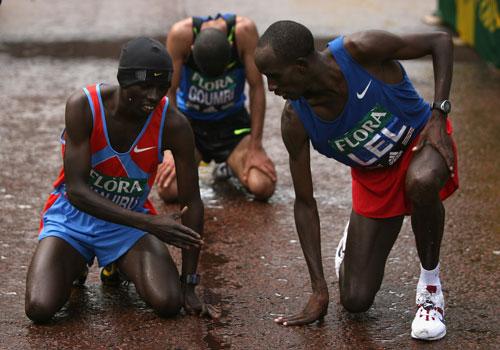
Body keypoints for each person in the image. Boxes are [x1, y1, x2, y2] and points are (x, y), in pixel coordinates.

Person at [254, 21, 459, 341]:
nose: (271, 87)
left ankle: (430, 289)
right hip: (373, 179)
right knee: (355, 301)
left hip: (420, 143)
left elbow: (440, 41)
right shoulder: (295, 120)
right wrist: (319, 290)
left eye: (275, 76)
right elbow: (305, 204)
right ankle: (351, 245)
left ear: (301, 67)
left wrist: (438, 114)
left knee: (421, 182)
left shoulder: (360, 51)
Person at [25, 37, 215, 323]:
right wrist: (149, 223)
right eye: (144, 86)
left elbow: (193, 204)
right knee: (39, 308)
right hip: (72, 220)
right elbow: (76, 191)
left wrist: (189, 284)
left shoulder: (174, 124)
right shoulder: (84, 106)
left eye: (161, 87)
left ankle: (117, 264)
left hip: (127, 227)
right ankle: (76, 263)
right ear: (124, 81)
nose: (154, 96)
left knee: (169, 302)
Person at [155, 13, 277, 202]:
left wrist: (256, 146)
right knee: (169, 190)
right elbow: (168, 92)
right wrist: (170, 149)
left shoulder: (244, 33)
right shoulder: (180, 35)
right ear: (192, 49)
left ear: (230, 48)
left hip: (232, 125)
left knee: (263, 186)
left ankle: (230, 164)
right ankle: (200, 164)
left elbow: (257, 88)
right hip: (190, 127)